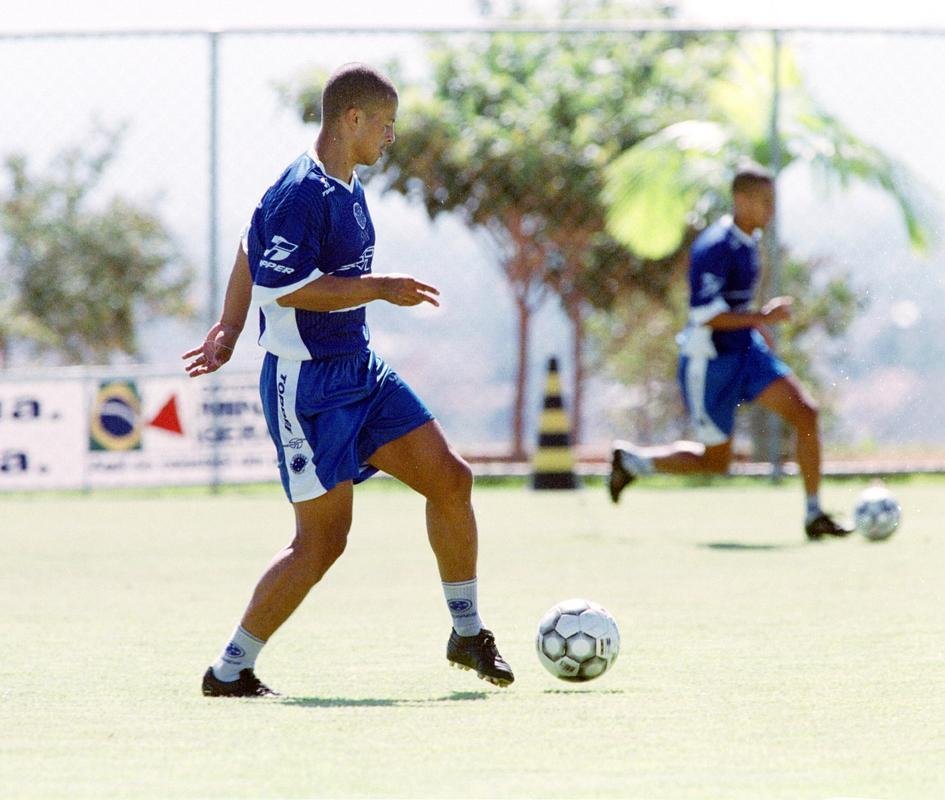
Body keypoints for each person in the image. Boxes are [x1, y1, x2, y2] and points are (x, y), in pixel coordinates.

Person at [183, 63, 513, 697]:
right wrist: (380, 289)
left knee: (451, 479)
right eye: (385, 125)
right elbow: (291, 287)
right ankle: (230, 669)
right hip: (305, 390)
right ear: (352, 119)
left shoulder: (347, 183)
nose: (391, 138)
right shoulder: (300, 191)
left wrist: (227, 325)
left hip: (361, 371)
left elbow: (253, 250)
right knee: (321, 544)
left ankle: (466, 633)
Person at [608, 162, 852, 541]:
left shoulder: (750, 242)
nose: (771, 210)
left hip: (746, 354)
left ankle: (814, 513)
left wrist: (757, 328)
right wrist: (762, 317)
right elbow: (706, 316)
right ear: (741, 200)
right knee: (715, 462)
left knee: (805, 413)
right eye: (764, 201)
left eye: (773, 201)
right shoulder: (715, 246)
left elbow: (736, 306)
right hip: (710, 365)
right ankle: (632, 461)